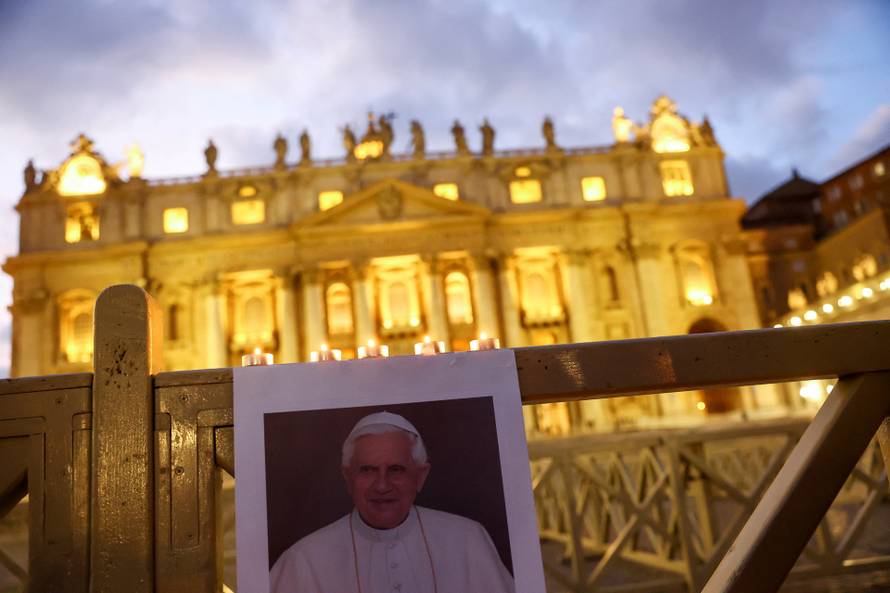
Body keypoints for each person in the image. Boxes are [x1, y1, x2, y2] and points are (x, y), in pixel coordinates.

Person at [270, 411, 514, 593]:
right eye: (368, 470)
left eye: (396, 470)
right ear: (348, 478)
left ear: (420, 476)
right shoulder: (304, 560)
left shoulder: (468, 540)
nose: (382, 485)